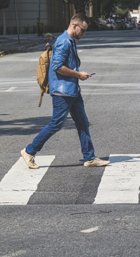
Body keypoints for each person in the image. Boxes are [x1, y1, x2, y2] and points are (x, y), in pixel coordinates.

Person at [21, 13, 110, 168]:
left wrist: (77, 77)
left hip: (72, 89)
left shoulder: (69, 40)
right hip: (63, 91)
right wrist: (79, 74)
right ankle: (29, 151)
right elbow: (57, 67)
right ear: (75, 25)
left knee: (83, 123)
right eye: (83, 30)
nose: (84, 33)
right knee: (56, 124)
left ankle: (89, 158)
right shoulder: (64, 42)